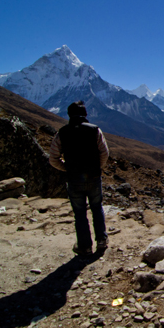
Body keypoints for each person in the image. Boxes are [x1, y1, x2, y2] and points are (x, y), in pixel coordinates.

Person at [49, 101, 110, 256]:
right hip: (94, 177)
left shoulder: (62, 133)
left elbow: (53, 158)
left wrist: (66, 168)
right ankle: (102, 240)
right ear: (85, 114)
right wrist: (98, 168)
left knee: (80, 212)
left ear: (69, 114)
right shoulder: (95, 130)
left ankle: (84, 246)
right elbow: (104, 153)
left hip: (74, 179)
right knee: (97, 207)